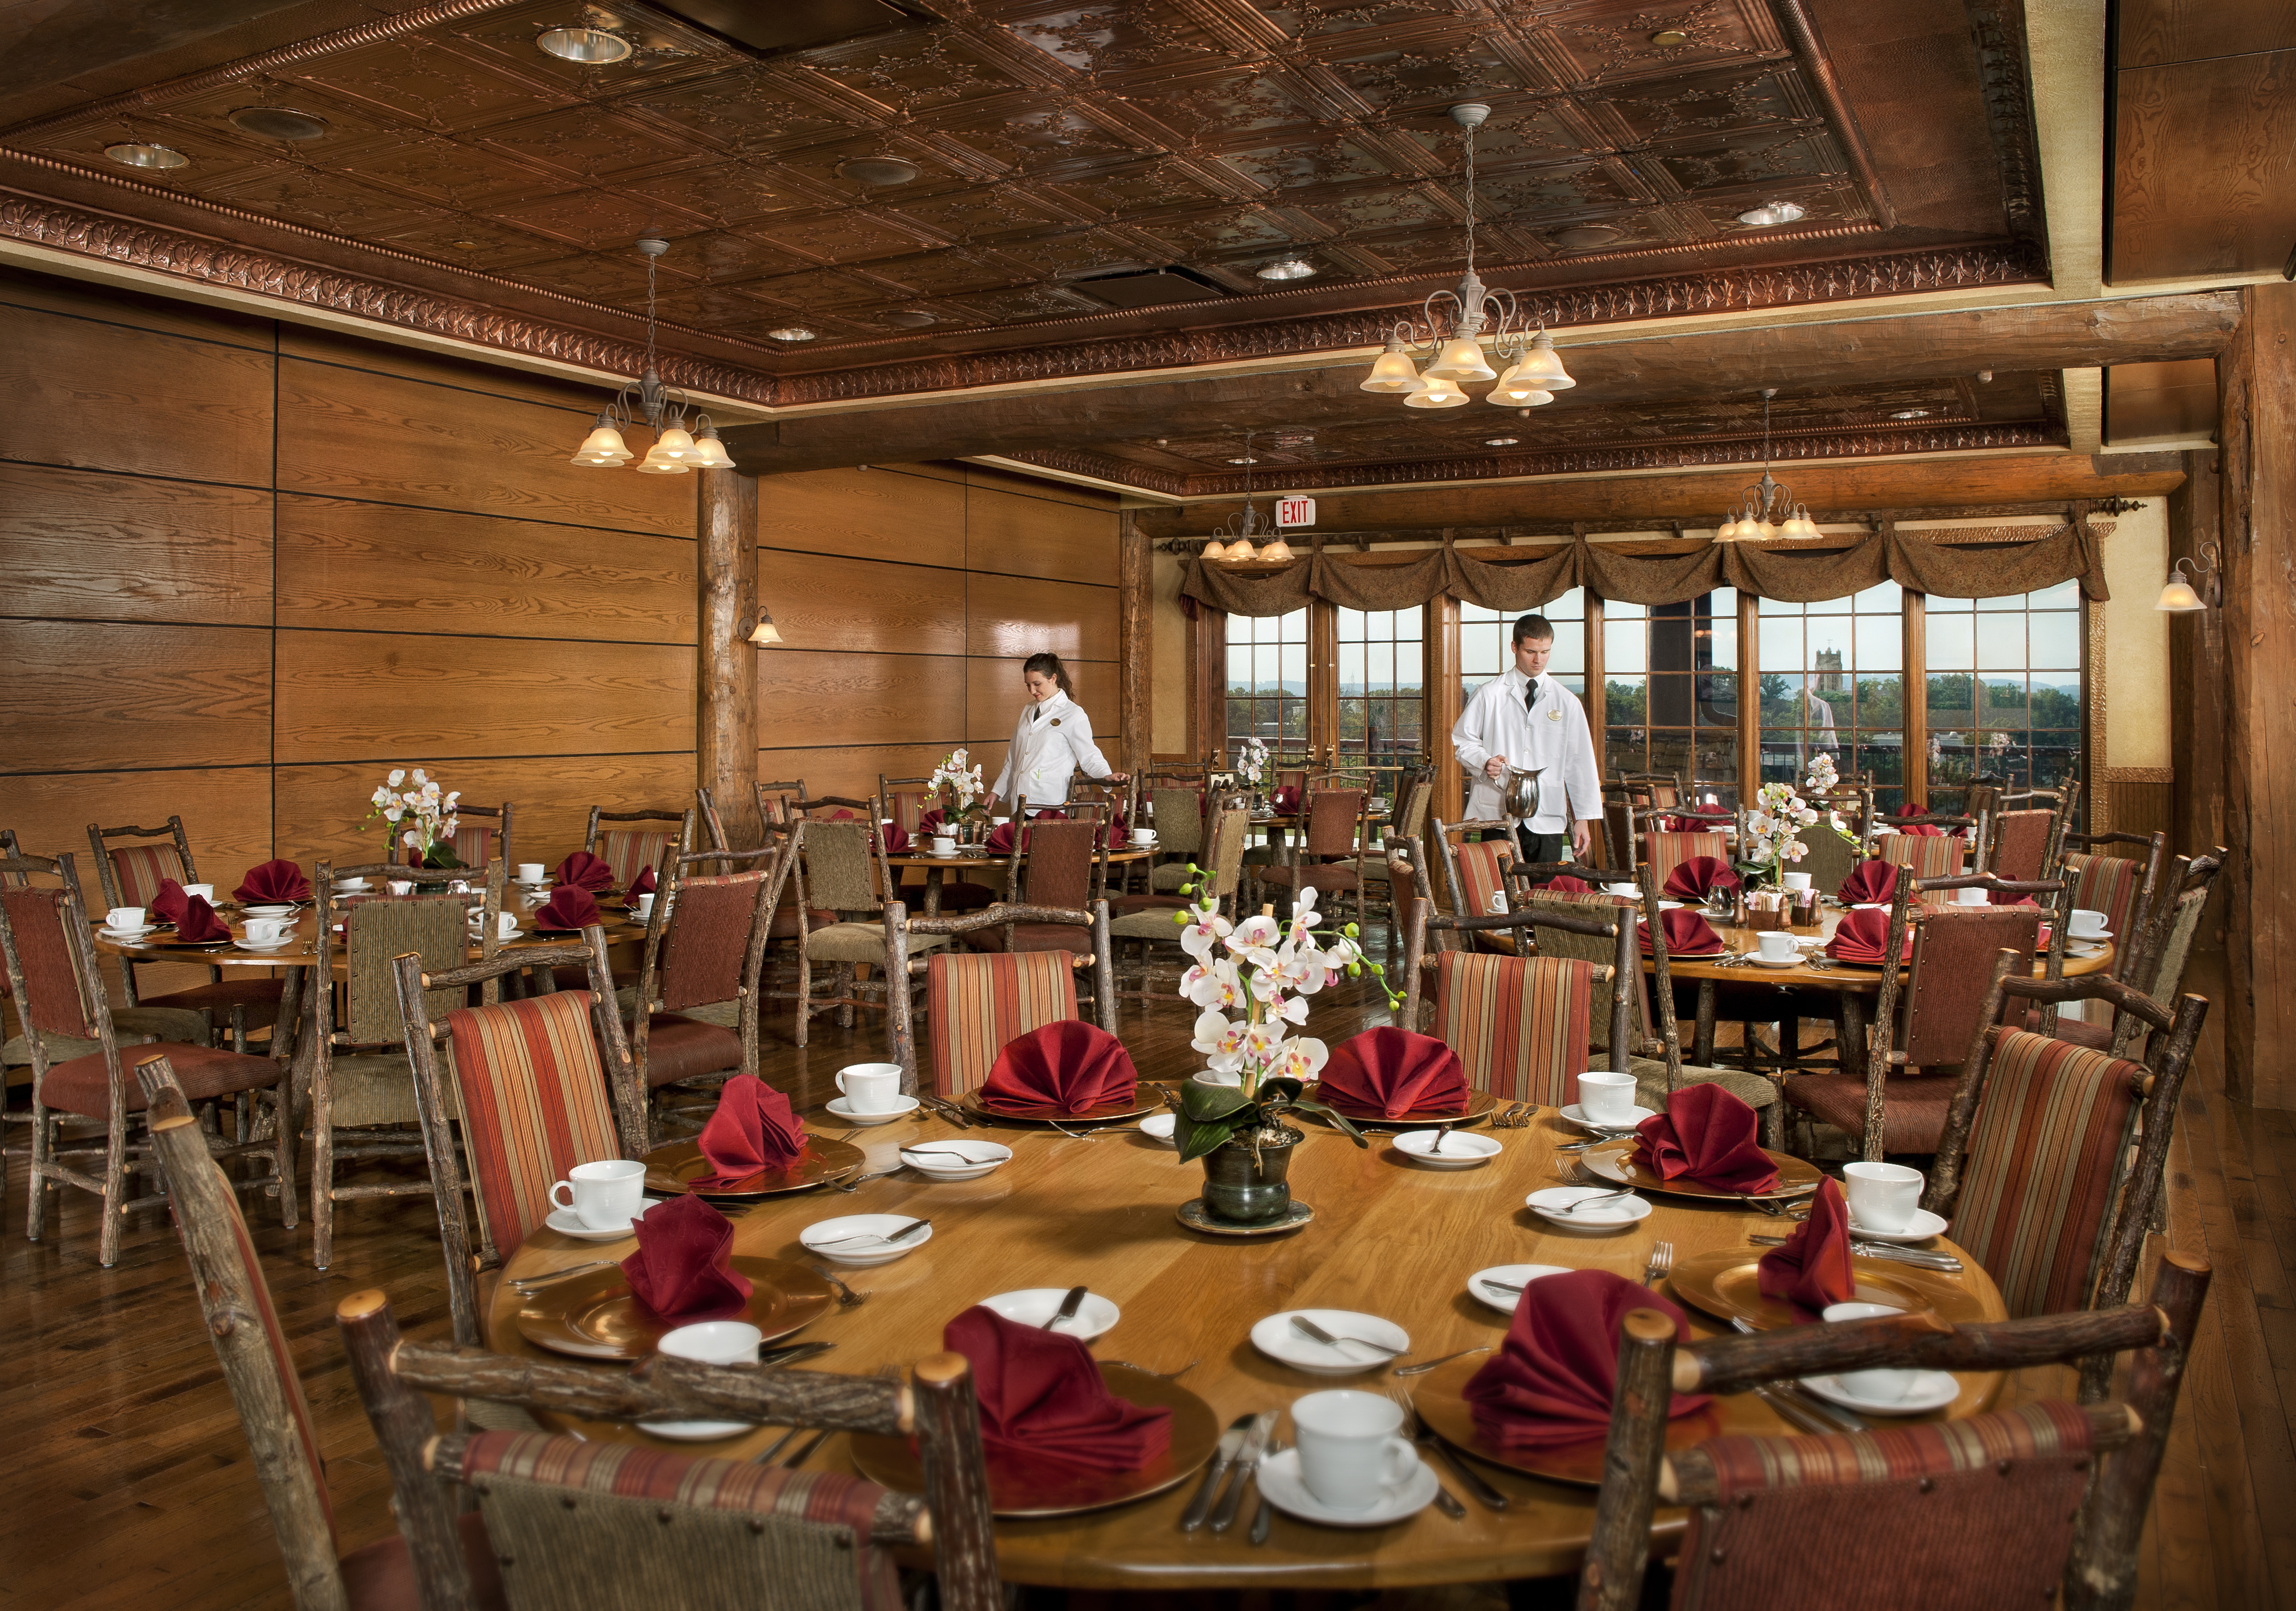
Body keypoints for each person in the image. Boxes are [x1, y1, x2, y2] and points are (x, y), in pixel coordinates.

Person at [1451, 613, 1603, 866]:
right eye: (1531, 651)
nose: (1538, 660)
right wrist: (1485, 761)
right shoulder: (1490, 694)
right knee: (1498, 892)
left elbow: (1580, 763)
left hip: (1547, 817)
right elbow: (1462, 740)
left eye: (1545, 652)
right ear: (1515, 647)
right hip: (1498, 813)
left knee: (1543, 895)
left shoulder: (1567, 702)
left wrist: (1583, 819)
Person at [983, 651, 1127, 814]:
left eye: (1037, 684)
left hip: (1050, 803)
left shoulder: (1073, 714)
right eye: (1028, 685)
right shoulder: (1028, 710)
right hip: (1020, 803)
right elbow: (1013, 758)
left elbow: (1089, 755)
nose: (1032, 690)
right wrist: (997, 791)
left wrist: (1106, 776)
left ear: (1053, 678)